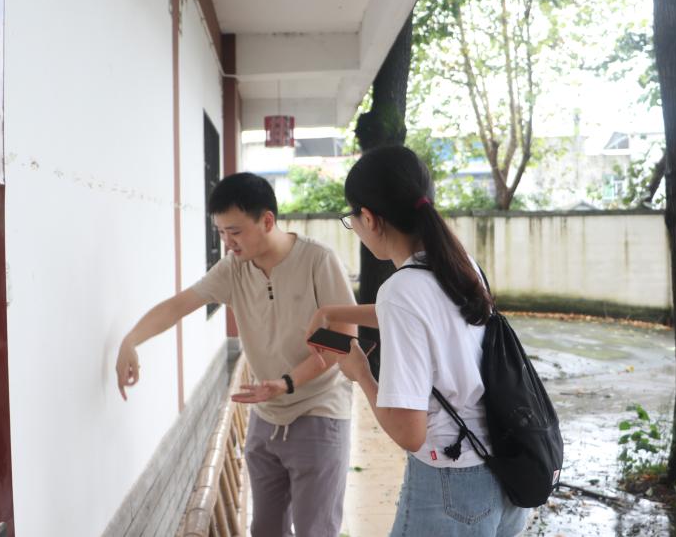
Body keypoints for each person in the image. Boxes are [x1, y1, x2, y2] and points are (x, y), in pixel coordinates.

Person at [115, 172, 357, 537]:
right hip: (266, 414)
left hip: (319, 411)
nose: (227, 243)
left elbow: (344, 340)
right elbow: (179, 305)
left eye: (235, 232)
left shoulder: (318, 260)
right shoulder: (233, 268)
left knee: (315, 530)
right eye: (220, 233)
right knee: (265, 529)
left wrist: (287, 382)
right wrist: (131, 340)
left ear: (267, 221)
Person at [305, 146, 527, 537]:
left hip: (449, 489)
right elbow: (422, 318)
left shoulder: (401, 291)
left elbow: (410, 434)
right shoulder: (460, 266)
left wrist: (361, 374)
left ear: (369, 218)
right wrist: (333, 312)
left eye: (351, 218)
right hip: (504, 475)